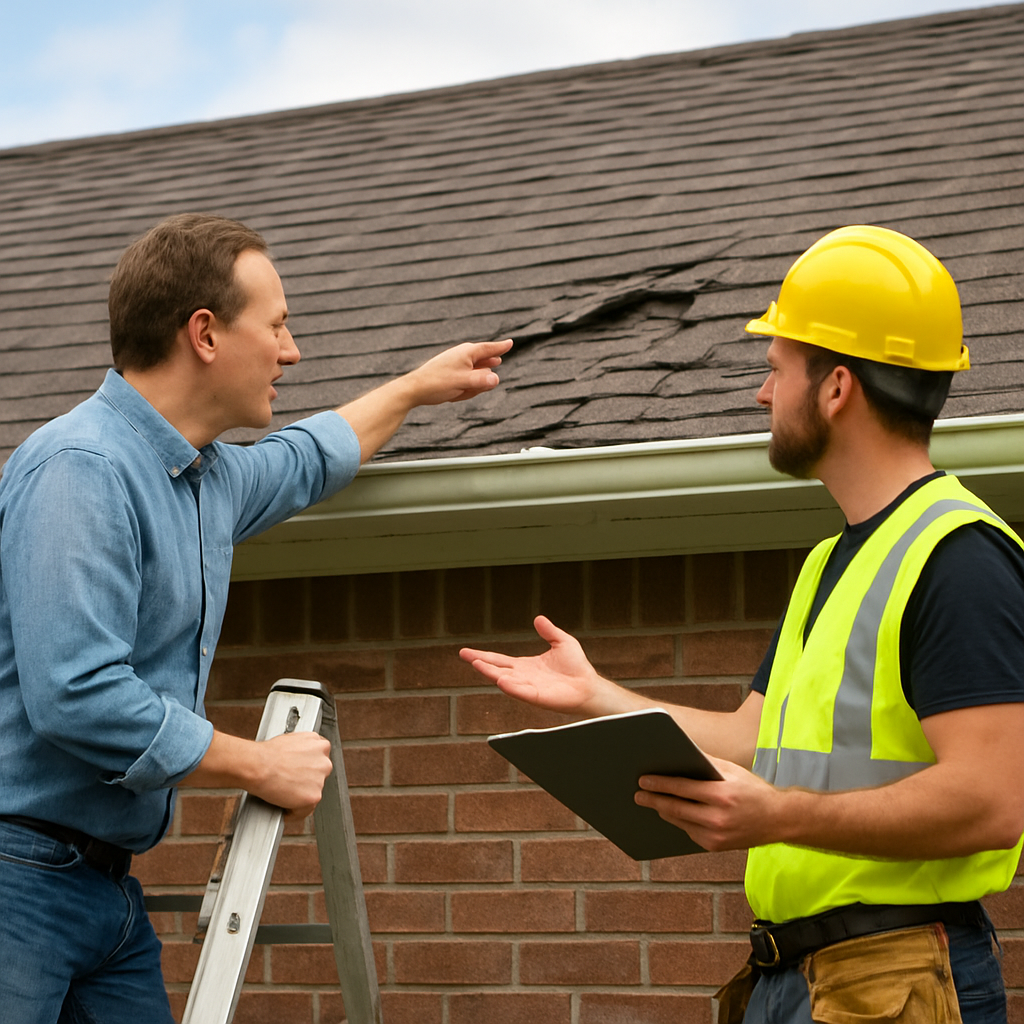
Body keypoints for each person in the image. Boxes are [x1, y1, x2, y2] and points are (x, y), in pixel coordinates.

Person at [461, 225, 1024, 1023]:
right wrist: (596, 694)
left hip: (897, 977)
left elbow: (995, 800)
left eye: (775, 371)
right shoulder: (832, 561)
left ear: (835, 388)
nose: (763, 396)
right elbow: (753, 740)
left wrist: (781, 813)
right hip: (802, 979)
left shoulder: (957, 558)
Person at [0, 212, 512, 1024]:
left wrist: (415, 387)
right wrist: (257, 763)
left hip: (107, 895)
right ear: (204, 334)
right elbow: (78, 695)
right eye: (276, 325)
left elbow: (311, 458)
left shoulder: (206, 482)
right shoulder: (81, 469)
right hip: (17, 881)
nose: (293, 349)